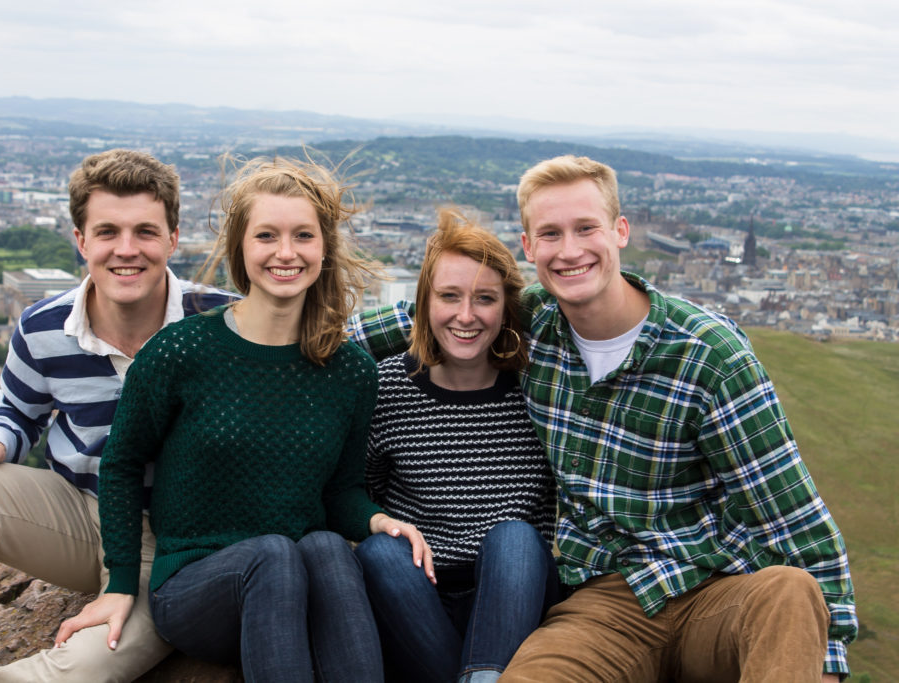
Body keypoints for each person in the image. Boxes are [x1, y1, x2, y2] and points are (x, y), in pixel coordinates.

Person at [350, 155, 856, 682]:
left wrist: (829, 662)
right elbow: (419, 319)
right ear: (529, 247)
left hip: (714, 590)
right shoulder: (534, 325)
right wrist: (278, 346)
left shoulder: (709, 355)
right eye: (550, 233)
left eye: (585, 228)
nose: (569, 251)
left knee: (789, 591)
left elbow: (801, 529)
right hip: (606, 605)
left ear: (620, 231)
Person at [55, 156, 434, 682]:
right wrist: (120, 583)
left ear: (323, 249)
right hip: (194, 585)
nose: (286, 253)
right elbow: (121, 464)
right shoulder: (181, 351)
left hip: (298, 579)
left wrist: (379, 521)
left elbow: (341, 492)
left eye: (303, 236)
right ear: (240, 247)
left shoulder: (350, 371)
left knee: (323, 545)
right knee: (277, 555)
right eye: (266, 236)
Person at [0, 149, 238, 682]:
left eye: (145, 233)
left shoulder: (225, 324)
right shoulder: (44, 325)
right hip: (81, 516)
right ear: (81, 240)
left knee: (82, 673)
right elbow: (18, 409)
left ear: (173, 239)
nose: (126, 250)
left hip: (174, 546)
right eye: (107, 232)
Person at [354, 209, 561, 683]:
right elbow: (358, 494)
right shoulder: (388, 388)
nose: (466, 316)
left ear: (506, 309)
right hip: (415, 603)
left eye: (484, 299)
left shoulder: (537, 392)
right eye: (449, 296)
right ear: (424, 304)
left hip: (514, 593)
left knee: (513, 537)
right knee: (379, 550)